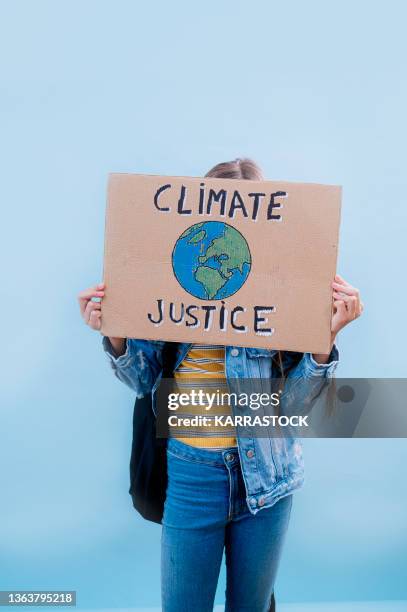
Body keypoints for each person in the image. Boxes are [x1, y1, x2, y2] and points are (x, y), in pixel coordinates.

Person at [78, 158, 363, 612]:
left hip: (268, 477)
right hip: (191, 472)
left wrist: (323, 344)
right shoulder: (170, 289)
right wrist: (113, 331)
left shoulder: (287, 296)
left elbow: (297, 408)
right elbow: (141, 380)